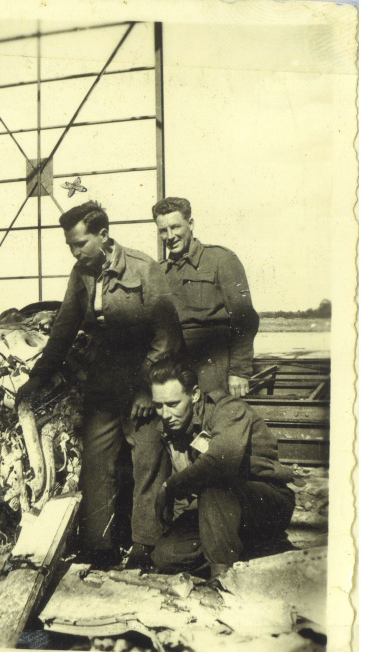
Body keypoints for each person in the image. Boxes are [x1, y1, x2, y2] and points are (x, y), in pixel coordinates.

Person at [17, 201, 185, 567]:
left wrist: (147, 388)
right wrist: (38, 377)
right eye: (70, 246)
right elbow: (64, 328)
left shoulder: (143, 268)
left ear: (103, 235)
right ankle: (99, 545)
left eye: (81, 244)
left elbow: (167, 334)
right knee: (96, 464)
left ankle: (146, 546)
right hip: (103, 381)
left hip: (143, 379)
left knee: (148, 462)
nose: (75, 252)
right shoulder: (81, 274)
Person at [148, 356, 295, 578]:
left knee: (214, 486)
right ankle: (251, 550)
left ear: (194, 394)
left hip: (266, 502)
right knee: (166, 556)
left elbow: (220, 463)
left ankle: (223, 578)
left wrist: (170, 487)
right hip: (218, 509)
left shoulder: (229, 410)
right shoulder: (174, 426)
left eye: (173, 404)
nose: (166, 414)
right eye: (158, 406)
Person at [152, 197, 259, 396]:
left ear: (191, 224)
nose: (170, 236)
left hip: (213, 361)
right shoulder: (160, 271)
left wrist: (239, 371)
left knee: (213, 410)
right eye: (163, 230)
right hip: (174, 362)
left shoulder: (221, 260)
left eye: (175, 227)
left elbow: (245, 319)